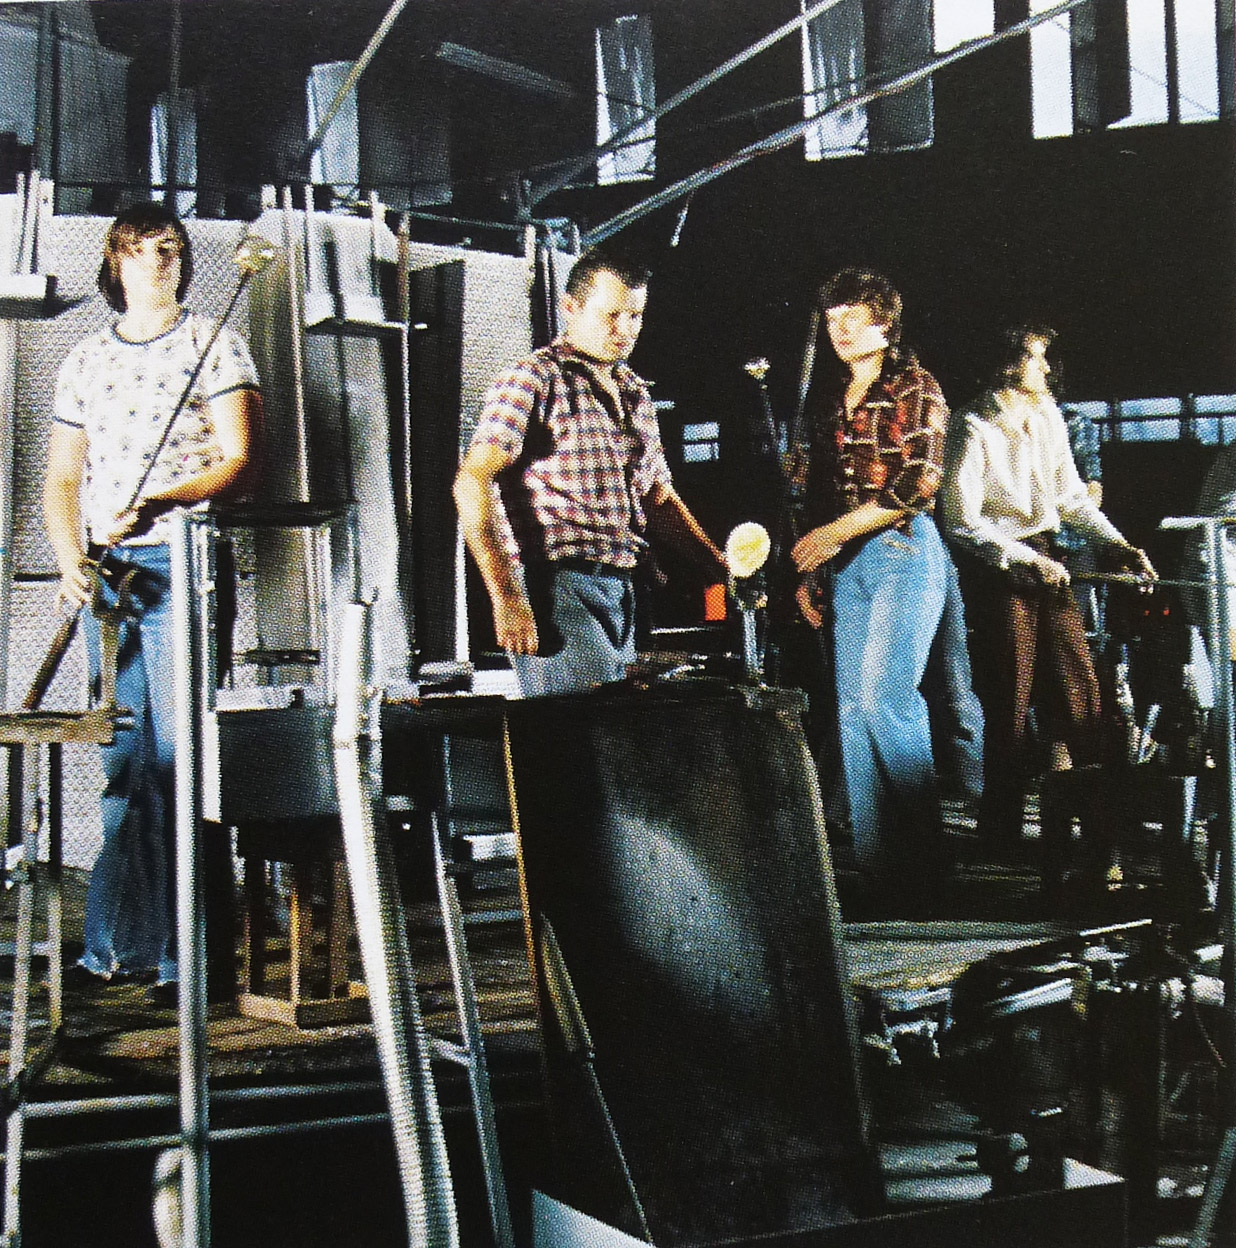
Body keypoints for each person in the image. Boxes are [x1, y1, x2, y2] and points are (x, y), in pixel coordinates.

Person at [42, 202, 260, 999]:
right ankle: (114, 949)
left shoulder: (214, 341)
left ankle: (189, 959)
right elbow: (64, 477)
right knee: (124, 761)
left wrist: (165, 499)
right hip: (111, 573)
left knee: (181, 763)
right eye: (139, 249)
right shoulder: (86, 359)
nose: (157, 261)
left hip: (184, 562)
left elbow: (242, 460)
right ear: (116, 264)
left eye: (169, 248)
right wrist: (69, 558)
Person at [453, 250, 725, 697]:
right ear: (571, 307)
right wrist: (507, 596)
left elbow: (657, 497)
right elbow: (472, 481)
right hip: (557, 589)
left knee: (625, 726)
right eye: (611, 315)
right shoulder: (532, 379)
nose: (625, 330)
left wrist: (722, 568)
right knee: (585, 725)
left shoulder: (635, 392)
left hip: (625, 587)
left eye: (635, 316)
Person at [940, 325, 1155, 850]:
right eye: (1035, 358)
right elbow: (961, 521)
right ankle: (1001, 831)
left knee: (1080, 686)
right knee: (1011, 698)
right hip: (998, 568)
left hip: (1047, 558)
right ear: (1007, 364)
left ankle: (1101, 827)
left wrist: (1119, 545)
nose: (1045, 368)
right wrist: (1025, 559)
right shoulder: (972, 426)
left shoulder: (1048, 416)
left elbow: (1072, 499)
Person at [789, 267, 950, 889]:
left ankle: (927, 859)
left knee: (886, 699)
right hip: (844, 564)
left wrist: (831, 534)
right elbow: (814, 491)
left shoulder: (915, 385)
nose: (842, 331)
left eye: (854, 319)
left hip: (901, 550)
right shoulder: (829, 400)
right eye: (833, 321)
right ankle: (880, 863)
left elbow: (918, 483)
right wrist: (813, 571)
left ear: (886, 325)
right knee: (853, 711)